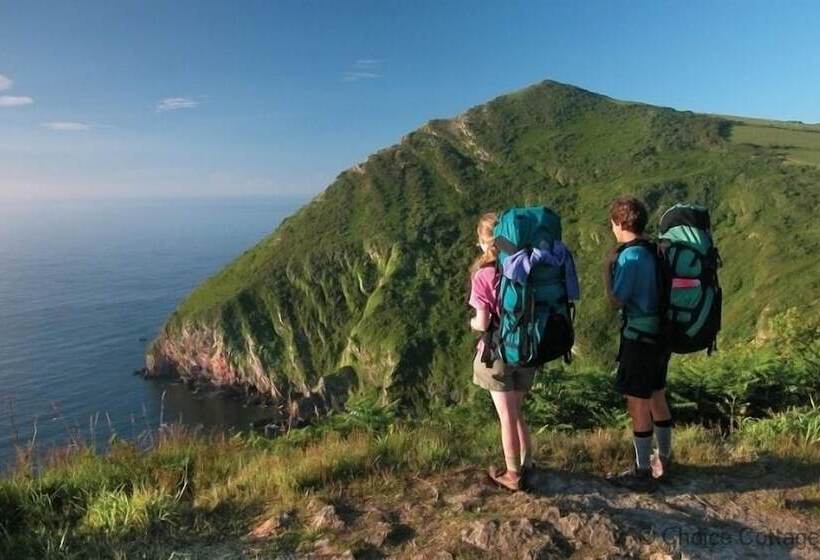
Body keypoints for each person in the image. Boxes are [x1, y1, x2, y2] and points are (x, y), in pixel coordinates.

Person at [603, 196, 673, 491]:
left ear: (619, 224)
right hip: (662, 335)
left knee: (638, 403)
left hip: (639, 338)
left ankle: (642, 471)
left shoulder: (631, 258)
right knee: (658, 395)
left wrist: (607, 269)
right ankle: (665, 459)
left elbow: (617, 299)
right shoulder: (656, 249)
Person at [468, 212, 535, 492]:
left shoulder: (483, 275)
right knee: (517, 412)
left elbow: (482, 322)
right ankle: (527, 462)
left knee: (506, 417)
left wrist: (472, 323)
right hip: (527, 350)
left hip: (497, 354)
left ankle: (512, 474)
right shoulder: (525, 268)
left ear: (484, 243)